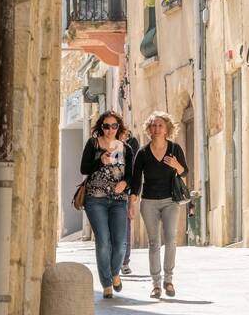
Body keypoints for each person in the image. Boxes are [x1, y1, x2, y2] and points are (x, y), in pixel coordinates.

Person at [129, 111, 188, 299]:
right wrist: (132, 201)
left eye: (160, 125)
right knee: (154, 243)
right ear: (149, 129)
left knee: (170, 240)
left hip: (171, 200)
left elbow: (184, 172)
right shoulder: (143, 153)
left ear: (167, 129)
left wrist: (175, 165)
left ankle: (168, 280)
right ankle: (156, 284)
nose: (156, 128)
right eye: (153, 125)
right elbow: (136, 180)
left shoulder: (174, 149)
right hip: (149, 202)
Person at [80, 111, 133, 299]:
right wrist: (99, 161)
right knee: (103, 241)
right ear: (100, 127)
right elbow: (84, 168)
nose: (110, 130)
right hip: (96, 198)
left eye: (114, 126)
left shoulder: (125, 148)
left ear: (119, 127)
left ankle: (115, 272)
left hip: (119, 201)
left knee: (120, 244)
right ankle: (107, 284)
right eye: (106, 126)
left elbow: (132, 175)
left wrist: (125, 184)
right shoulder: (93, 144)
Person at [119, 122, 140, 275]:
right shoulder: (104, 147)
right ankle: (115, 261)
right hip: (105, 194)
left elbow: (134, 174)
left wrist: (134, 195)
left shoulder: (129, 150)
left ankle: (125, 262)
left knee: (125, 228)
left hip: (124, 194)